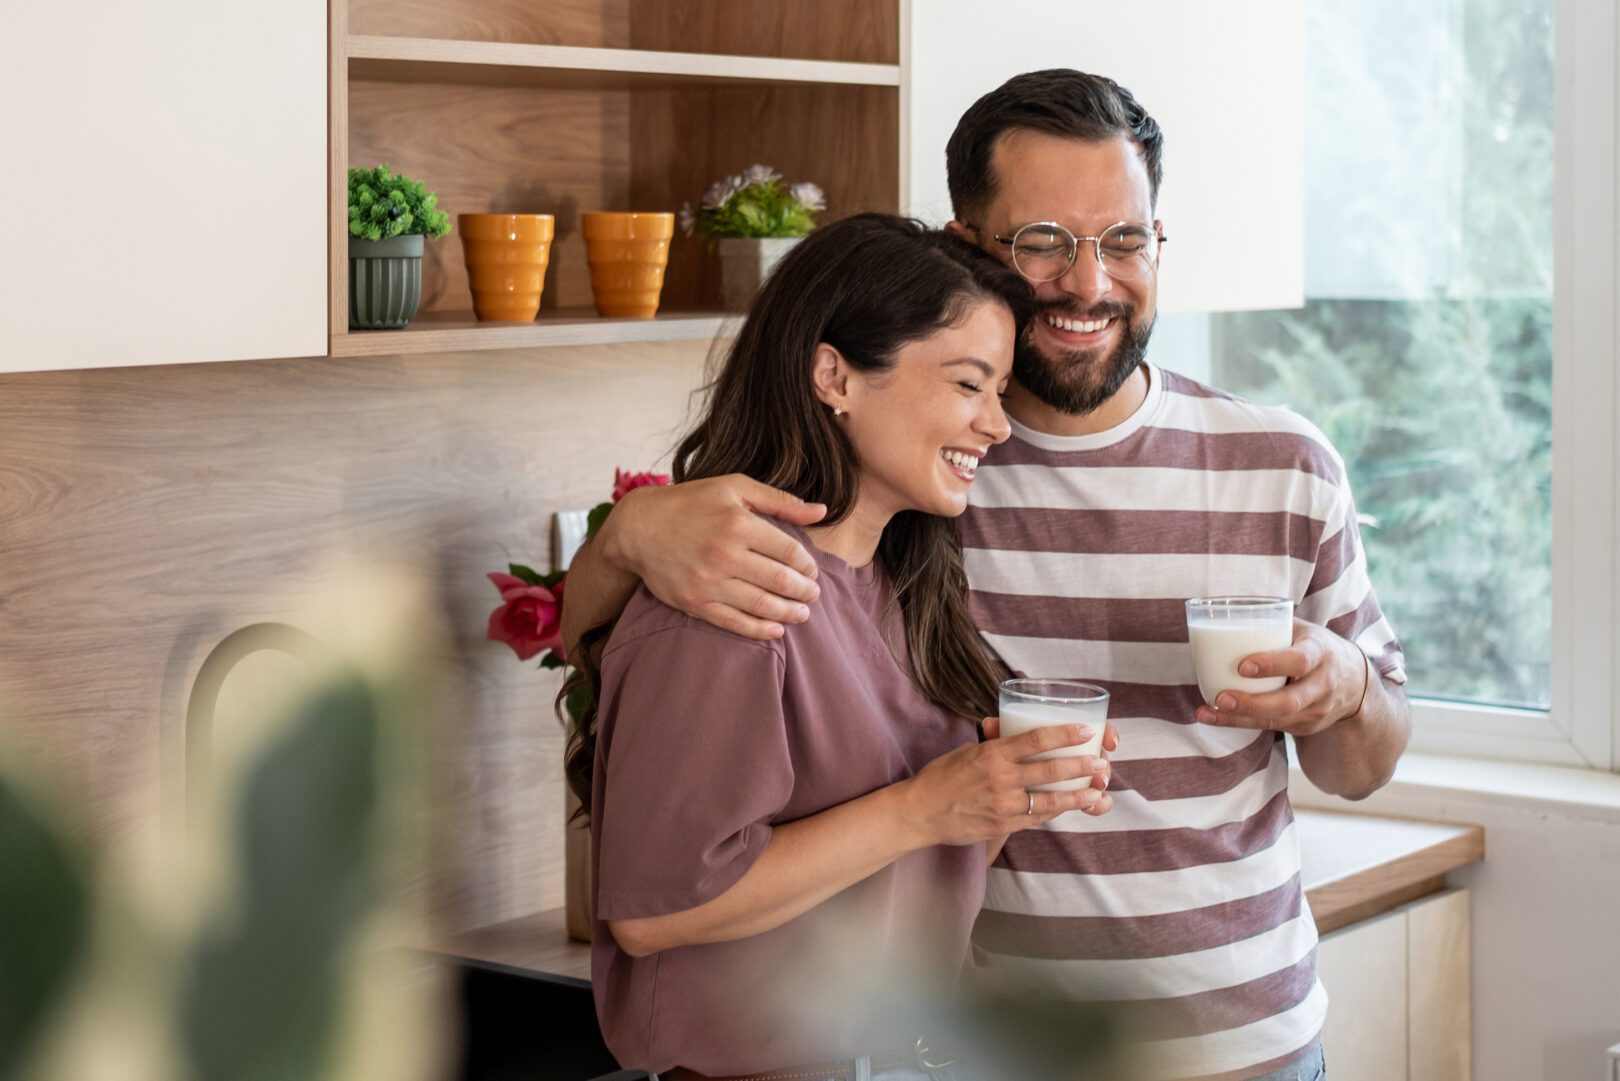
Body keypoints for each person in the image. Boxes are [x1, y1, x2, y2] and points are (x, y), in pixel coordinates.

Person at [563, 70, 1411, 1081]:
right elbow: (625, 653)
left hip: (1249, 1050)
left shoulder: (1279, 464)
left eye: (1125, 240)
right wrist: (626, 538)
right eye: (1045, 240)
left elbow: (1364, 765)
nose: (1090, 281)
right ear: (970, 248)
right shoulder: (923, 482)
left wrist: (1348, 689)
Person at [574, 214, 1120, 1081]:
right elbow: (654, 909)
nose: (997, 426)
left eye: (1000, 391)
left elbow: (895, 885)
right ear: (834, 374)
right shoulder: (733, 593)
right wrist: (925, 807)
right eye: (970, 385)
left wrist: (997, 800)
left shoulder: (902, 587)